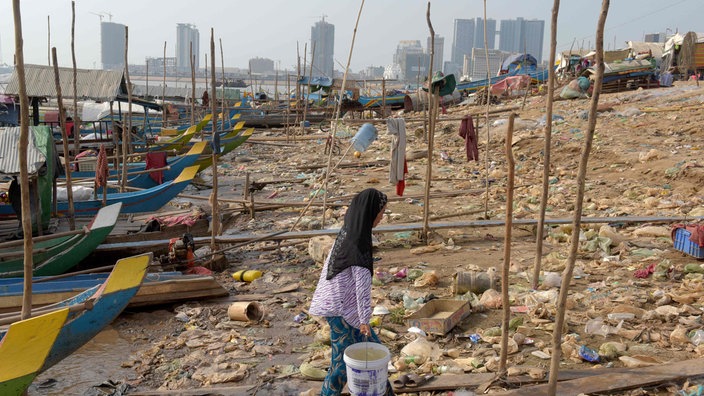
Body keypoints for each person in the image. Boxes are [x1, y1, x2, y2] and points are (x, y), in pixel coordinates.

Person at [308, 188, 394, 396]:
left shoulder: (349, 233)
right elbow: (362, 287)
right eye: (380, 212)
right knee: (340, 366)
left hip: (344, 309)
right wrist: (364, 319)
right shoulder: (358, 244)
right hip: (342, 312)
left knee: (376, 355)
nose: (382, 217)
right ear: (369, 212)